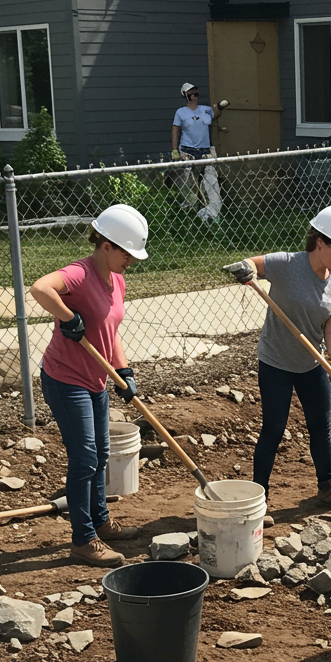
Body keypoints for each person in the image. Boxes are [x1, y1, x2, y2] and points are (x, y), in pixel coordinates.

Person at [224, 205, 331, 513]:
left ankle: (328, 488)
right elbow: (249, 263)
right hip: (275, 362)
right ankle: (258, 500)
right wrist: (245, 270)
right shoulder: (287, 264)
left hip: (312, 364)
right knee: (274, 428)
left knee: (320, 426)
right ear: (320, 242)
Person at [30, 204, 148, 565]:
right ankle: (83, 540)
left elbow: (110, 331)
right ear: (107, 245)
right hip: (66, 379)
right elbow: (38, 288)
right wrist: (68, 317)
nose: (131, 260)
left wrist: (124, 371)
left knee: (100, 455)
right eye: (127, 252)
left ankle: (101, 522)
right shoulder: (80, 274)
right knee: (84, 459)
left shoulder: (117, 278)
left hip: (96, 378)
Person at [171, 83, 227, 222]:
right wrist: (175, 150)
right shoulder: (181, 112)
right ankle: (188, 218)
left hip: (205, 151)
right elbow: (175, 130)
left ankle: (211, 216)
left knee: (211, 182)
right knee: (189, 185)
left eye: (196, 93)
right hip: (188, 151)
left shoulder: (205, 110)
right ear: (185, 95)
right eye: (192, 94)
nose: (195, 96)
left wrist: (220, 107)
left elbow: (215, 114)